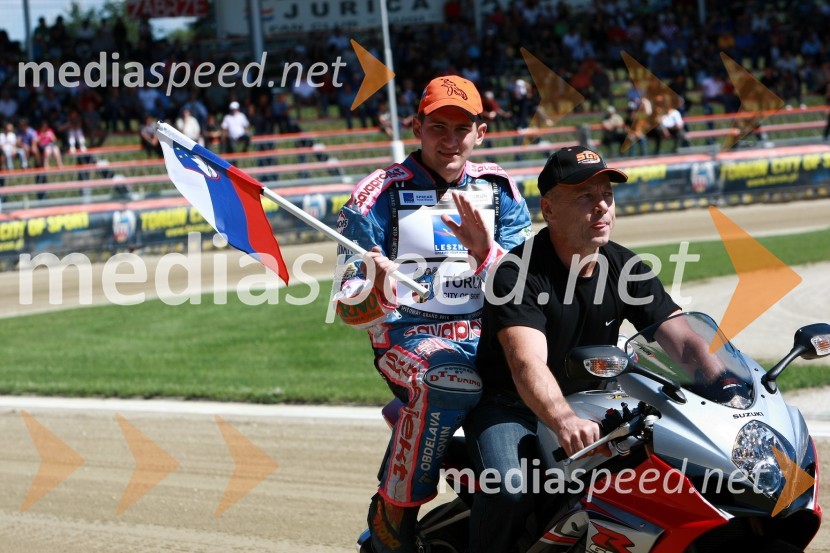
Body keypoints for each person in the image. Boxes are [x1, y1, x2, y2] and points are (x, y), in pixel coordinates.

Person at [465, 146, 726, 552]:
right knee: (511, 488)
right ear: (549, 209)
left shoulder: (625, 266)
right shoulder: (516, 274)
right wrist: (564, 420)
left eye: (607, 194)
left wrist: (725, 384)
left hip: (591, 400)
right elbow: (525, 362)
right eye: (585, 197)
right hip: (512, 405)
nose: (601, 206)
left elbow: (684, 339)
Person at [332, 75, 532, 553]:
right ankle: (394, 514)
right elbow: (348, 308)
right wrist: (376, 289)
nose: (449, 139)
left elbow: (527, 286)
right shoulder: (377, 194)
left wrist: (487, 254)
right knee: (447, 379)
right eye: (437, 126)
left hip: (490, 341)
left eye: (461, 128)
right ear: (416, 126)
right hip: (408, 341)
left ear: (480, 133)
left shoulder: (500, 189)